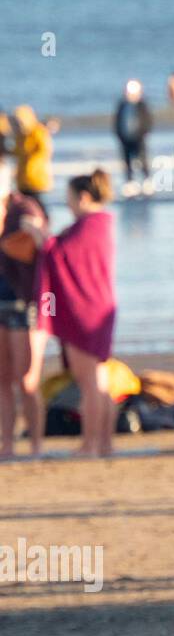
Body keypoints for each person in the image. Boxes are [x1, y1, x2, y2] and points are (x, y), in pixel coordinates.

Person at [27, 170, 118, 457]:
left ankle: (90, 445)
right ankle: (103, 443)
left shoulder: (90, 225)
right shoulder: (100, 224)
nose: (67, 204)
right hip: (100, 307)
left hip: (85, 311)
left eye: (68, 199)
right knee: (99, 381)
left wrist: (39, 234)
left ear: (83, 197)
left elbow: (59, 255)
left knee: (88, 382)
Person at [0, 159, 48, 456]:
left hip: (23, 304)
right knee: (1, 380)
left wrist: (35, 231)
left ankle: (36, 445)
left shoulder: (23, 208)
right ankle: (6, 445)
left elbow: (44, 245)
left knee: (27, 380)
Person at [10, 105, 53, 214]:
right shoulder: (20, 136)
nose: (19, 125)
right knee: (24, 206)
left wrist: (30, 162)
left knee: (38, 205)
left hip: (36, 178)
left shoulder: (38, 131)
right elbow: (16, 152)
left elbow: (45, 150)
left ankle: (43, 223)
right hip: (22, 178)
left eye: (20, 122)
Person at [114, 80, 153, 187]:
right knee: (127, 162)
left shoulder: (142, 105)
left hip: (139, 137)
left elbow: (147, 121)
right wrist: (118, 134)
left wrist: (144, 133)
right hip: (125, 138)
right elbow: (117, 120)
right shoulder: (122, 104)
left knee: (142, 159)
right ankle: (130, 182)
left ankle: (147, 180)